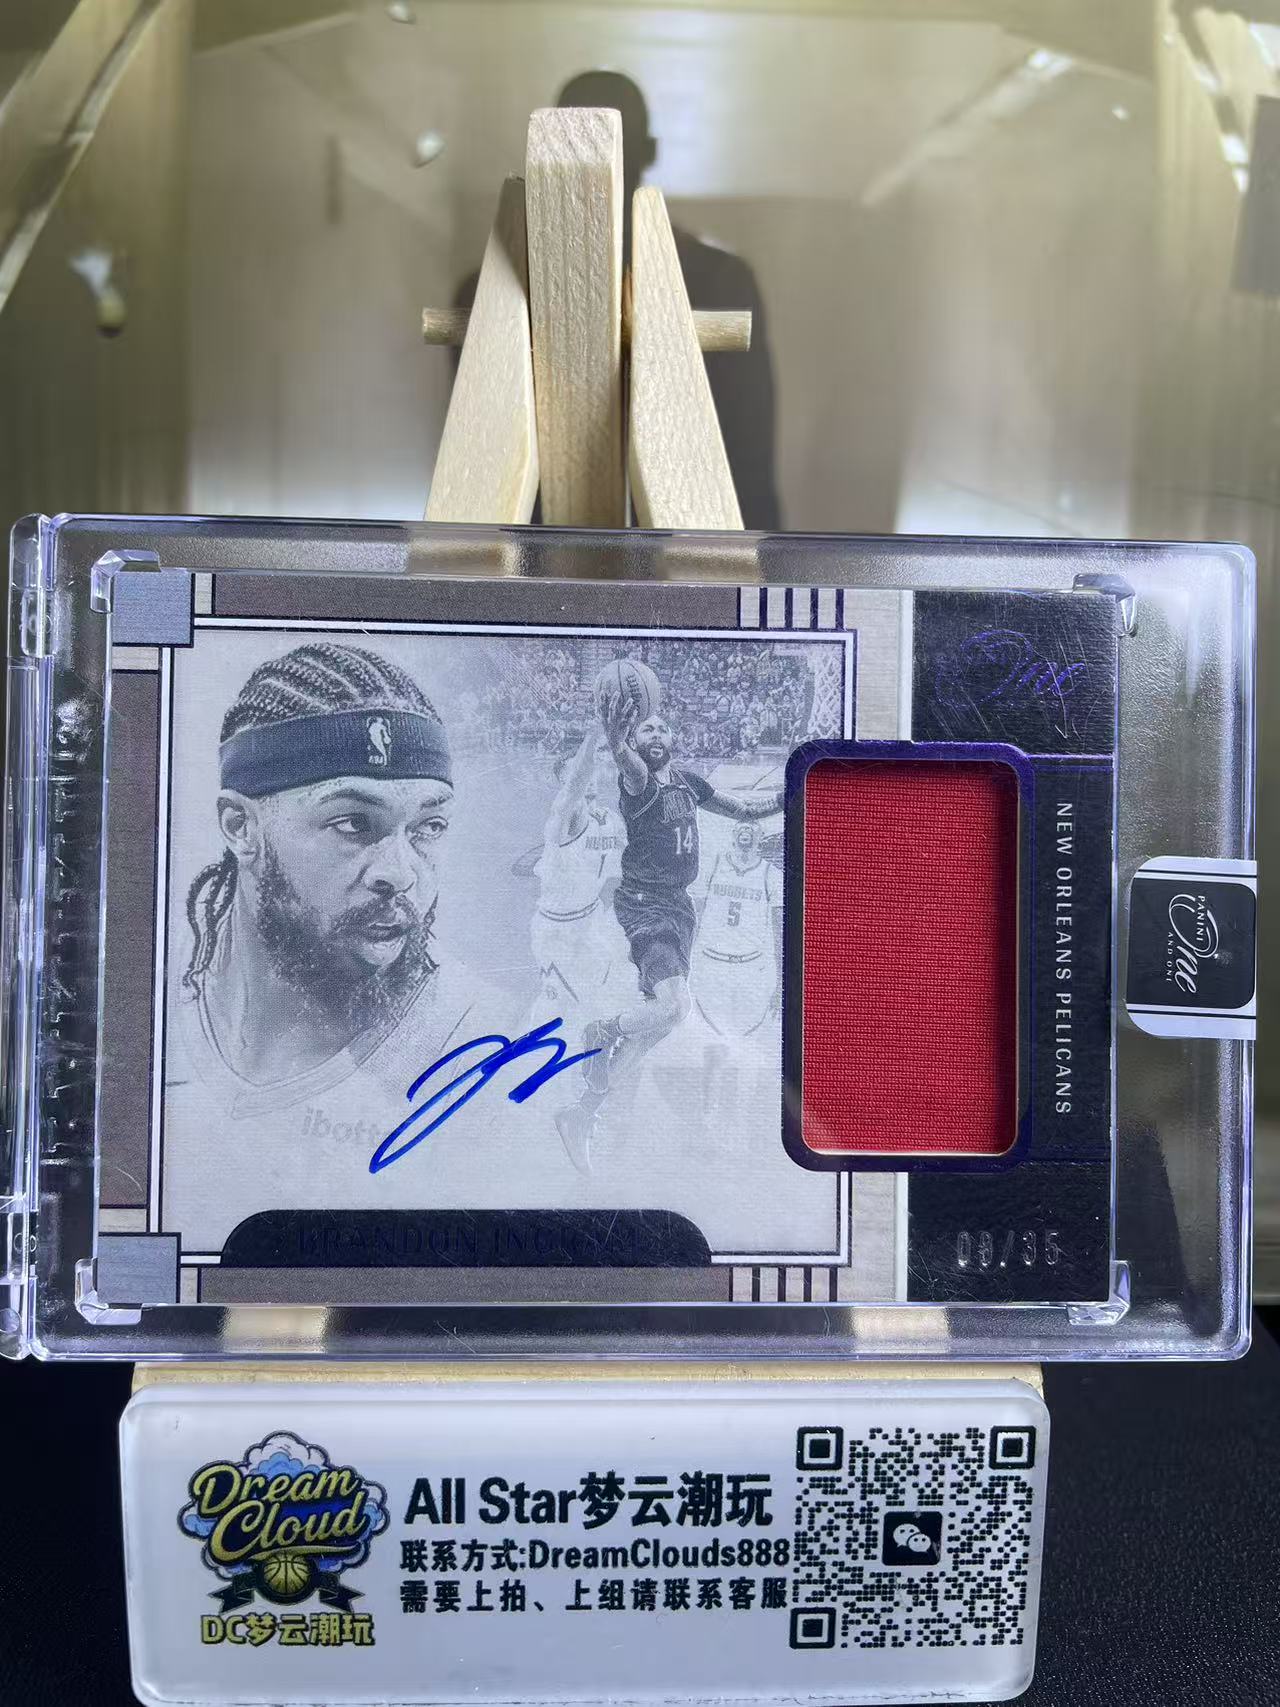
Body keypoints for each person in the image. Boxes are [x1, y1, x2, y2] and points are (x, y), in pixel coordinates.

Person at [165, 642, 490, 1251]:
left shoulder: (479, 1044)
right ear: (240, 827)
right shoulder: (145, 1022)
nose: (400, 873)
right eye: (353, 823)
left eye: (428, 828)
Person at [554, 688, 783, 1171]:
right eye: (646, 730)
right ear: (637, 742)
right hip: (647, 905)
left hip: (677, 907)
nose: (655, 734)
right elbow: (625, 761)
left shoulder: (689, 783)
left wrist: (791, 794)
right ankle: (601, 1031)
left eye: (661, 728)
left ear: (674, 737)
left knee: (656, 1027)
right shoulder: (639, 783)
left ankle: (582, 1113)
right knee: (675, 1007)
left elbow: (744, 811)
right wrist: (616, 737)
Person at [530, 730, 626, 1018]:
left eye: (590, 769)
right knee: (556, 1009)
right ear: (564, 780)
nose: (589, 776)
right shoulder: (564, 815)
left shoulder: (610, 820)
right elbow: (576, 785)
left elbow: (623, 869)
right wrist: (596, 733)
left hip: (593, 921)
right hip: (557, 930)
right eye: (578, 771)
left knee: (597, 1003)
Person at [690, 821, 782, 1040]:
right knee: (708, 1036)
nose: (746, 829)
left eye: (752, 826)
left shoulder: (771, 875)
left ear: (761, 837)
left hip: (750, 968)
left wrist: (781, 983)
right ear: (732, 834)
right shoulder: (713, 866)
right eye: (742, 825)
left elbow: (779, 933)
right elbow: (693, 919)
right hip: (711, 963)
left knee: (746, 1040)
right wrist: (685, 965)